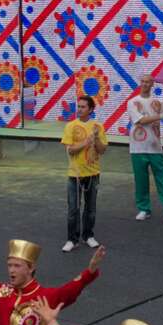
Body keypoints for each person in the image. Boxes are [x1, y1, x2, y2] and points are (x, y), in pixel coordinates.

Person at [125, 77, 163, 223]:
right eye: (143, 81)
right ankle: (144, 209)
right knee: (141, 181)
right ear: (140, 83)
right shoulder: (132, 102)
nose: (145, 84)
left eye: (148, 82)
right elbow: (140, 120)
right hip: (138, 148)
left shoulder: (158, 102)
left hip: (155, 147)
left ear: (153, 84)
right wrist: (161, 115)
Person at [61, 96, 105, 252]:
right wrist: (86, 142)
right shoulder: (71, 126)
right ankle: (72, 239)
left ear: (91, 109)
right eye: (78, 106)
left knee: (90, 208)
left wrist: (97, 137)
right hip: (75, 174)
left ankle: (88, 236)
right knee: (73, 208)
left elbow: (102, 150)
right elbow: (70, 149)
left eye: (83, 107)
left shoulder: (98, 126)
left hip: (93, 173)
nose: (79, 109)